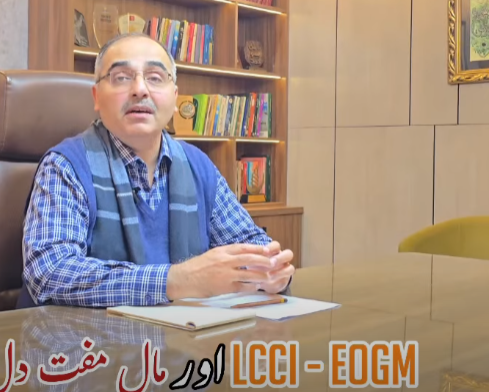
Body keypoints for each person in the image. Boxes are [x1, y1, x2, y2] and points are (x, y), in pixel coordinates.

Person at [17, 33, 294, 309]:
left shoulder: (198, 165)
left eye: (155, 77)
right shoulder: (64, 166)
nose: (140, 90)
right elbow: (49, 272)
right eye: (121, 77)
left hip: (184, 334)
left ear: (175, 98)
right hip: (85, 336)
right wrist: (177, 281)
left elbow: (251, 243)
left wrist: (270, 270)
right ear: (96, 96)